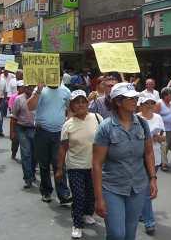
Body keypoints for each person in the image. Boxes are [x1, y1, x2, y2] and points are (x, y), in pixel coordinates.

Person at [92, 82, 157, 240]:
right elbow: (96, 164)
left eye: (135, 98)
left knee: (129, 233)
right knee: (116, 234)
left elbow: (148, 153)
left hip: (138, 187)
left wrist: (153, 179)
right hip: (112, 187)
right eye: (130, 99)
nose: (135, 101)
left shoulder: (142, 124)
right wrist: (99, 198)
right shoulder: (105, 128)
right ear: (118, 102)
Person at [56, 90, 102, 239]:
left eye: (83, 101)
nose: (81, 104)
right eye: (77, 102)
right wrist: (59, 169)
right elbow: (63, 149)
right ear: (72, 106)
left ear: (88, 104)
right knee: (78, 196)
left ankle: (88, 214)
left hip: (94, 166)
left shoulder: (97, 118)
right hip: (75, 166)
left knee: (91, 194)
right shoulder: (67, 125)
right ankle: (77, 224)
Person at [27, 82, 72, 205]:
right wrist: (38, 91)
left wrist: (68, 124)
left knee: (59, 163)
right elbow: (30, 106)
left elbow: (70, 109)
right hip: (42, 132)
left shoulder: (66, 91)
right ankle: (46, 191)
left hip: (59, 133)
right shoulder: (40, 89)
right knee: (44, 163)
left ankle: (63, 194)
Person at [137, 94, 164, 235]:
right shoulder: (135, 118)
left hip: (156, 158)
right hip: (140, 158)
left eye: (152, 103)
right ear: (140, 104)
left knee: (145, 189)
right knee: (146, 189)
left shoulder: (158, 118)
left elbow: (163, 137)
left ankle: (142, 212)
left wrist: (158, 137)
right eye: (146, 103)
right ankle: (149, 222)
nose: (149, 105)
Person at [10, 80, 37, 188]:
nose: (30, 89)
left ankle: (32, 172)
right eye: (28, 87)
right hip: (22, 129)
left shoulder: (38, 98)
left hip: (35, 129)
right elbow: (14, 117)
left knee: (35, 154)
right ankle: (28, 178)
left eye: (32, 87)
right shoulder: (18, 99)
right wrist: (12, 132)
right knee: (26, 153)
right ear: (24, 88)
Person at [155, 87, 171, 171]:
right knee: (164, 146)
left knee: (167, 146)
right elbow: (155, 115)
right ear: (165, 95)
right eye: (170, 95)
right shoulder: (159, 103)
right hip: (162, 129)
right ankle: (164, 164)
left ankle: (161, 161)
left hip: (170, 128)